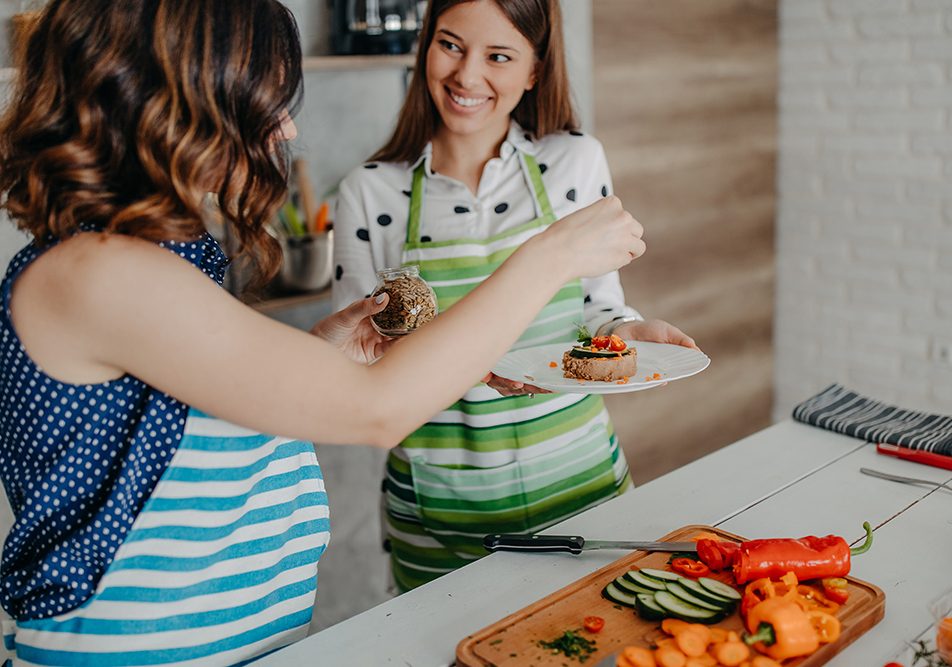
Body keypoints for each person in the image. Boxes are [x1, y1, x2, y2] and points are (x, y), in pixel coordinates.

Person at [0, 0, 645, 664]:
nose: (282, 128)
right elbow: (379, 409)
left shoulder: (129, 262)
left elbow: (181, 416)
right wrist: (550, 256)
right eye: (266, 97)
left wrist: (317, 356)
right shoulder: (101, 273)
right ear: (178, 96)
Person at [333, 0, 698, 593]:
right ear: (425, 44)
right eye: (450, 45)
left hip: (584, 488)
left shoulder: (575, 163)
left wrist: (624, 335)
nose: (466, 77)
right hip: (441, 516)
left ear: (533, 70)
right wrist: (466, 367)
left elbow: (599, 309)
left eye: (498, 56)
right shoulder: (369, 193)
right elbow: (360, 370)